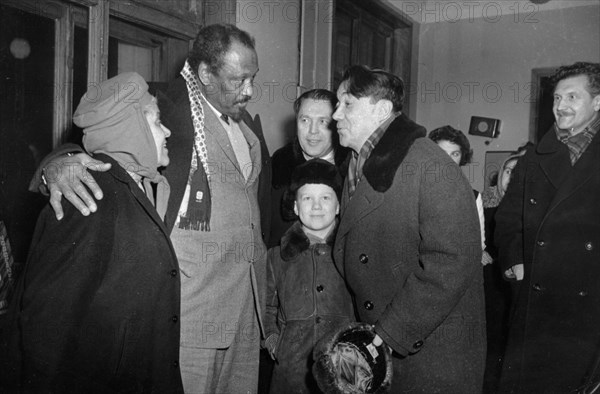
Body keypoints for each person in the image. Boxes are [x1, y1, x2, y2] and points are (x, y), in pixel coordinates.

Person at [27, 24, 272, 394]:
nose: (249, 92)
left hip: (246, 315)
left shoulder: (248, 128)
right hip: (191, 316)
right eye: (239, 81)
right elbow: (93, 141)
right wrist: (57, 167)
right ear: (205, 74)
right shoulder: (162, 104)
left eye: (252, 79)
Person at [0, 72, 182, 392]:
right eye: (155, 121)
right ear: (131, 129)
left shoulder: (139, 186)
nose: (167, 130)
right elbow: (47, 327)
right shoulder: (89, 195)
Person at [331, 65, 485, 392]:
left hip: (428, 350)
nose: (335, 115)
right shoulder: (360, 162)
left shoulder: (430, 165)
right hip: (389, 344)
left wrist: (387, 335)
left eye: (346, 104)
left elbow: (452, 261)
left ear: (382, 110)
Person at [495, 61, 600, 392]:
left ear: (598, 102)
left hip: (590, 303)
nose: (561, 107)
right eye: (556, 98)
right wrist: (516, 263)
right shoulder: (533, 158)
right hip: (535, 298)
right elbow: (507, 219)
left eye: (572, 96)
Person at [264, 159, 354, 393]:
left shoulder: (354, 253)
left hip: (345, 369)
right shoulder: (276, 257)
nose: (316, 206)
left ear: (338, 206)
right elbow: (266, 308)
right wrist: (274, 341)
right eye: (307, 198)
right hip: (291, 373)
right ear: (295, 207)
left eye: (325, 197)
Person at [268, 89, 349, 248]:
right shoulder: (275, 170)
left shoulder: (352, 171)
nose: (312, 131)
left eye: (323, 122)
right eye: (305, 120)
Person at [429, 125, 489, 265]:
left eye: (454, 154)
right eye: (442, 153)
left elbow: (478, 241)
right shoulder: (414, 191)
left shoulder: (473, 196)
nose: (448, 161)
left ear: (462, 157)